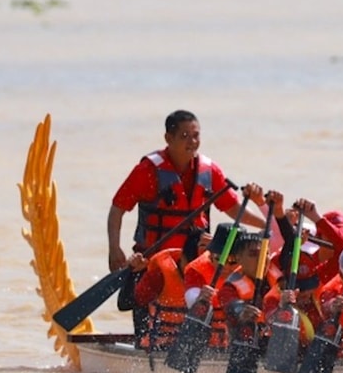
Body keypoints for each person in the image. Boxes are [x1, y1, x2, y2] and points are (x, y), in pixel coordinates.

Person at [107, 109, 259, 274]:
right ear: (168, 138)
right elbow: (117, 210)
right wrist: (114, 249)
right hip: (153, 263)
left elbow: (234, 208)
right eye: (185, 136)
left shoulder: (209, 171)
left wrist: (269, 226)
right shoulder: (147, 171)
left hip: (196, 263)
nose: (192, 141)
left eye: (196, 135)